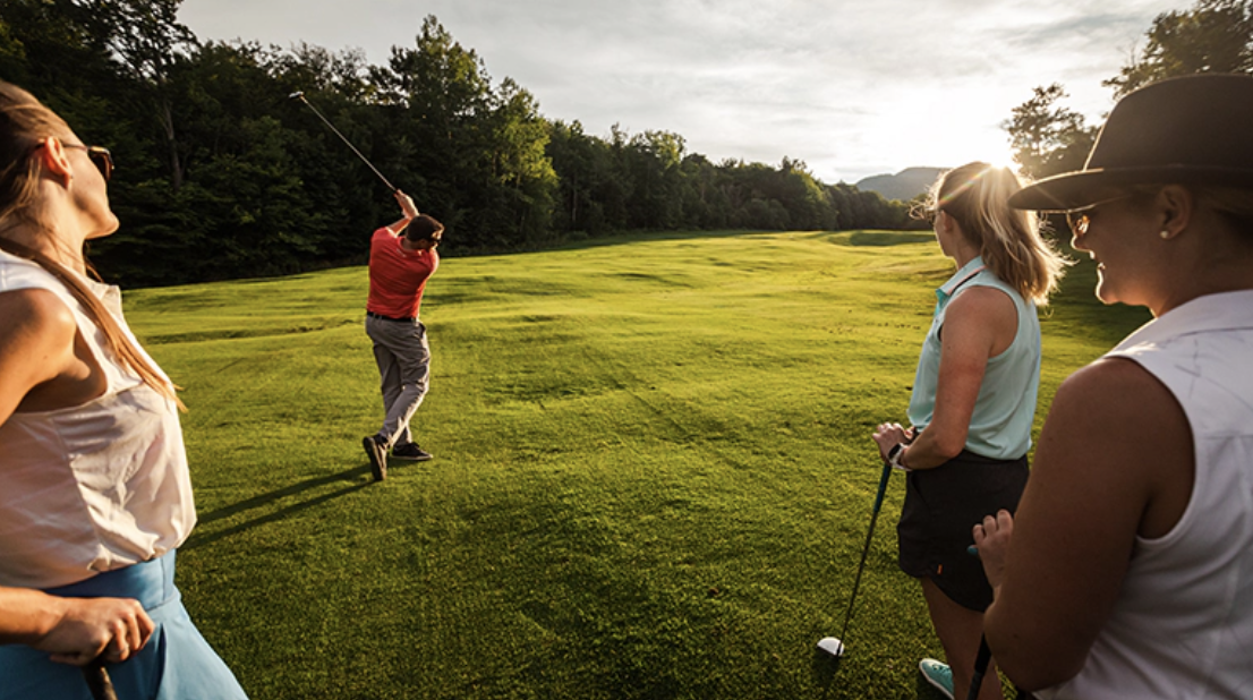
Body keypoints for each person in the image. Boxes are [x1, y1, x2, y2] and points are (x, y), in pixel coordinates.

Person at [972, 73, 1253, 698]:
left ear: (1170, 211)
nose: (1079, 234)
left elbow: (1032, 654)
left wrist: (1004, 577)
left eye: (1090, 211)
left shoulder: (1123, 399)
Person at [0, 81, 248, 697]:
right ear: (55, 155)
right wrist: (46, 616)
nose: (105, 172)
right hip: (90, 654)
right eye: (100, 157)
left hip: (142, 624)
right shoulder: (30, 310)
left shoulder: (43, 293)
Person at [871, 162, 1068, 699]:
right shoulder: (1011, 291)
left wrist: (899, 454)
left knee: (972, 667)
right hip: (1004, 482)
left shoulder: (974, 302)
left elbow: (948, 439)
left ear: (946, 220)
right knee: (989, 639)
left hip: (960, 490)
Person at [361, 190, 443, 481]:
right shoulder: (426, 263)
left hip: (374, 322)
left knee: (392, 384)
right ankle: (384, 440)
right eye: (434, 241)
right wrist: (412, 213)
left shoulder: (380, 241)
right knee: (417, 384)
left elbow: (395, 230)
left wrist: (408, 215)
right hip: (402, 328)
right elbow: (422, 240)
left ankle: (403, 444)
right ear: (423, 243)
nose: (436, 245)